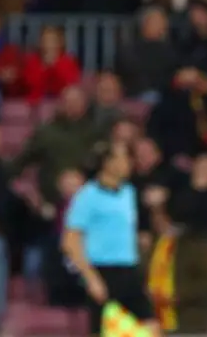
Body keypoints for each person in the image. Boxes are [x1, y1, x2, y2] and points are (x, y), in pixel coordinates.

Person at [61, 141, 159, 337]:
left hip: (129, 270)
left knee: (151, 328)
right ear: (107, 163)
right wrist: (91, 279)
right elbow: (70, 242)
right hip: (102, 271)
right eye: (123, 158)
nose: (129, 163)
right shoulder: (87, 196)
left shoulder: (129, 192)